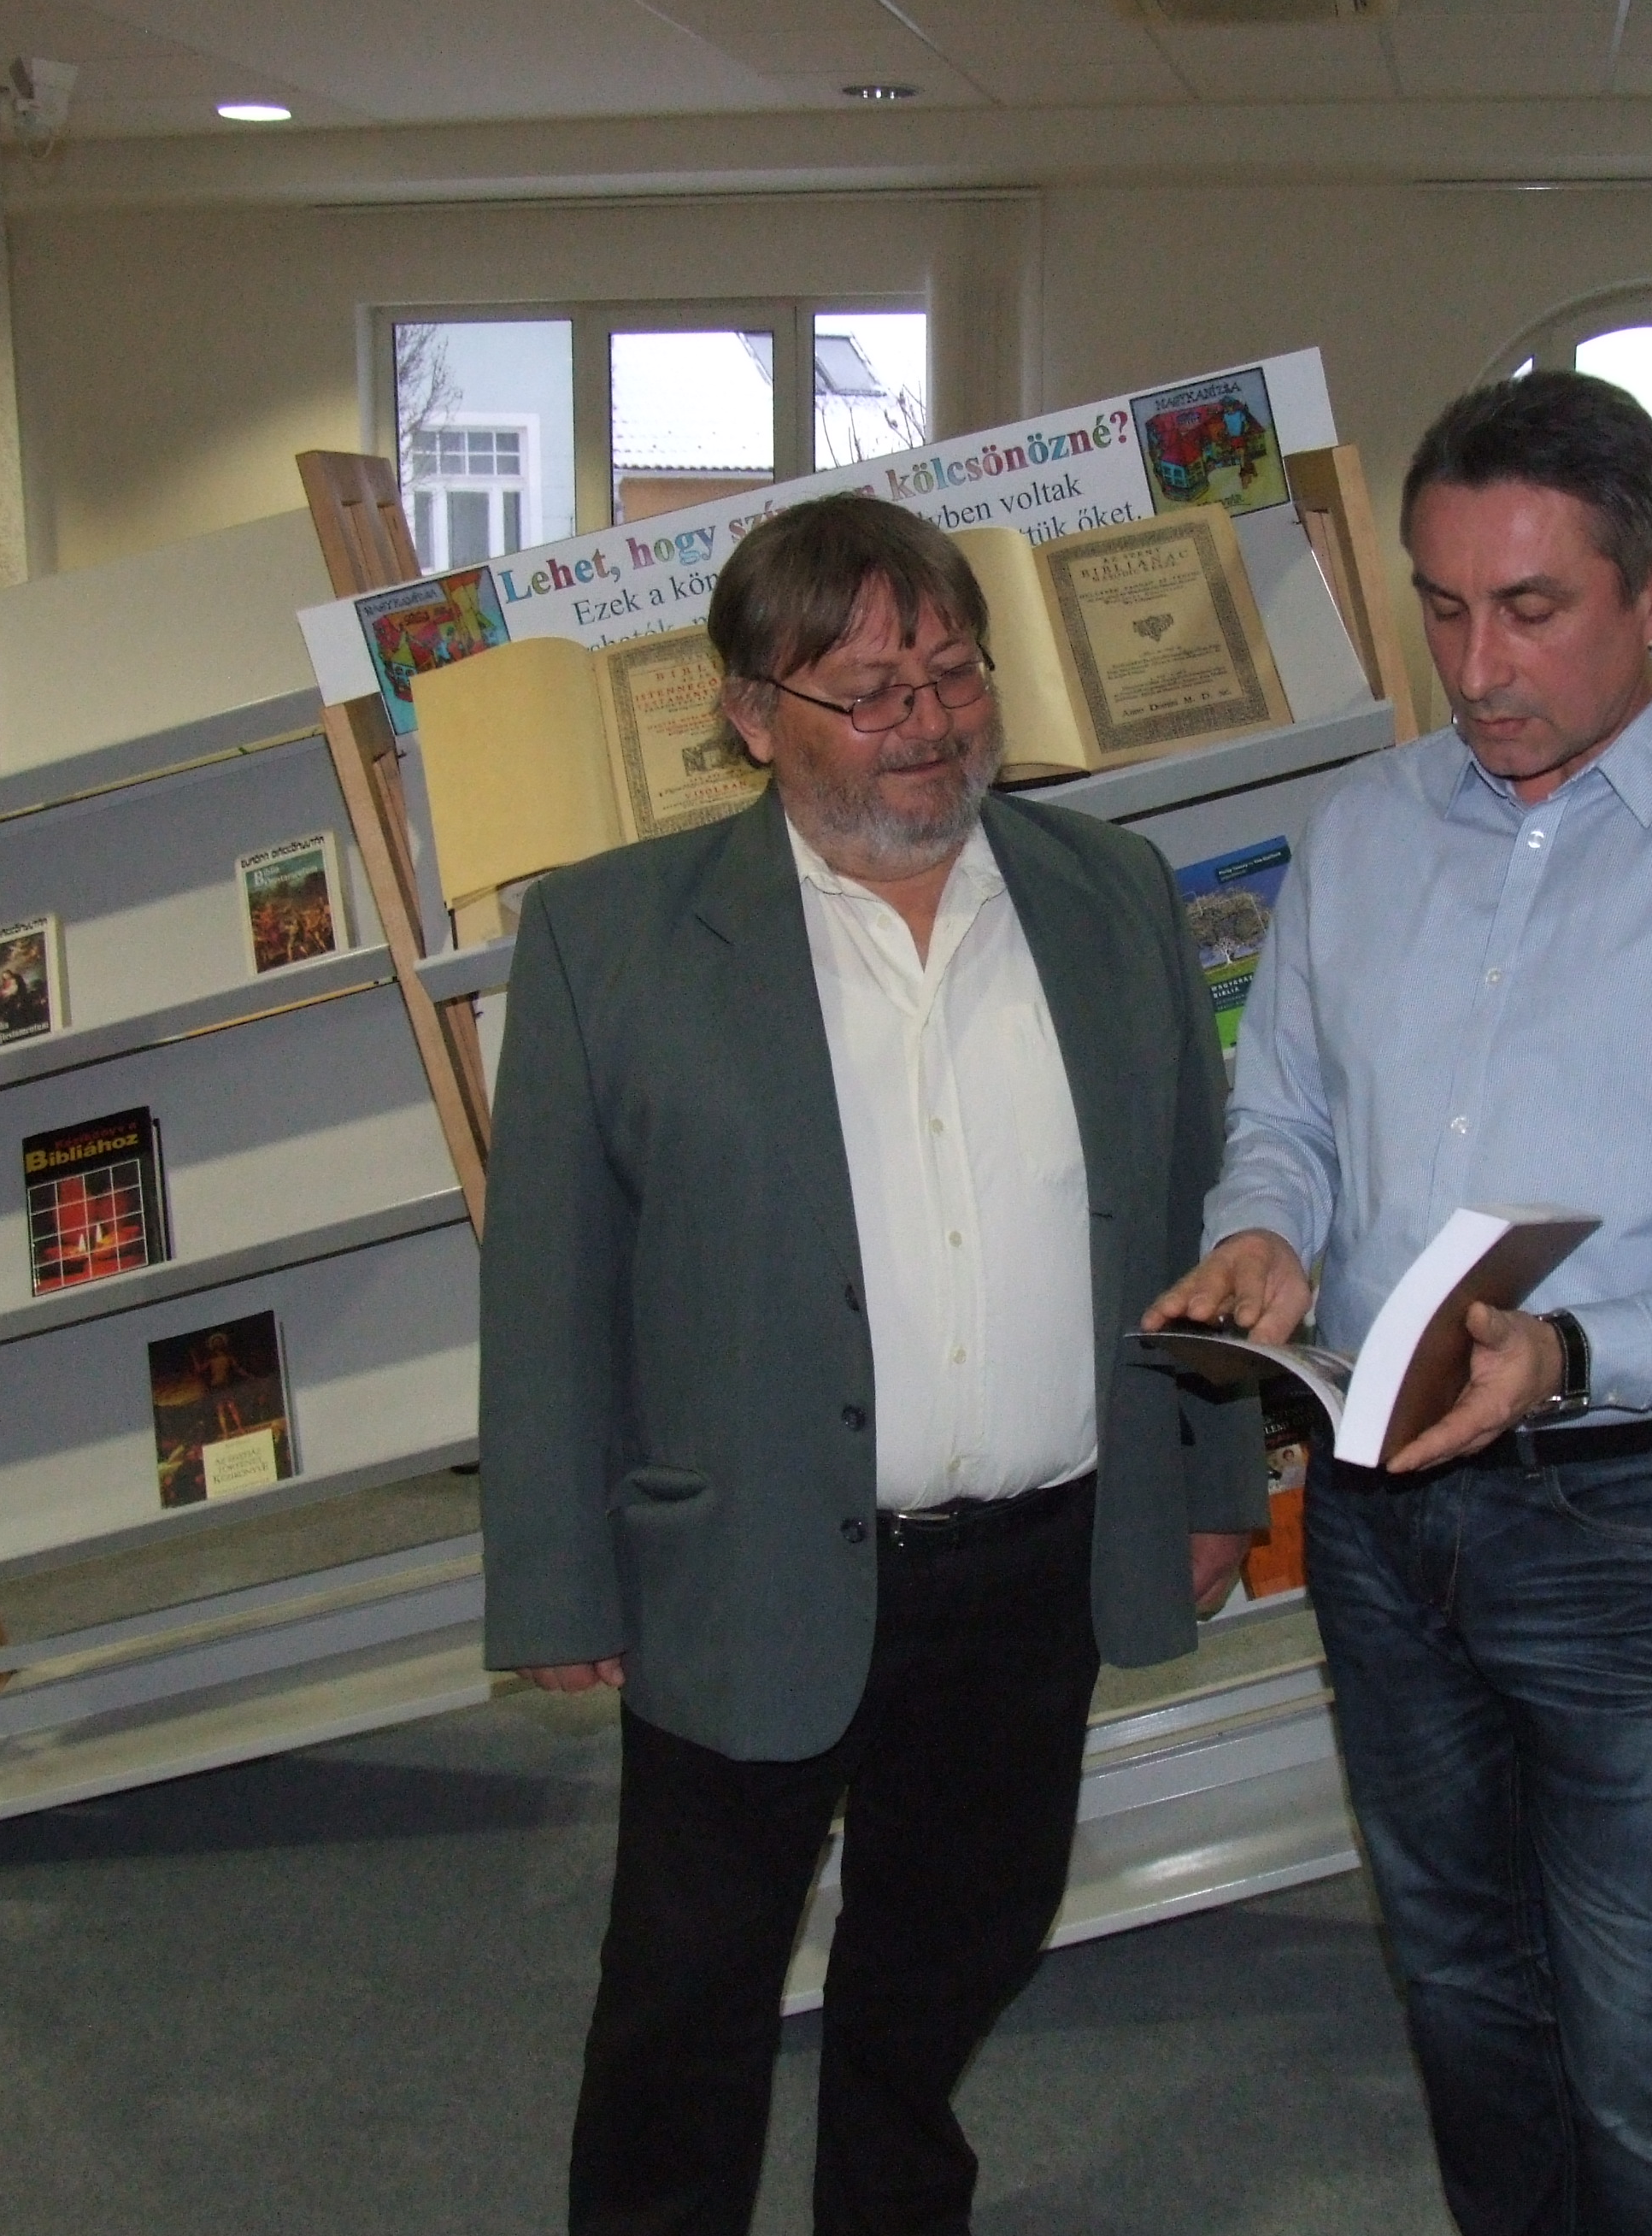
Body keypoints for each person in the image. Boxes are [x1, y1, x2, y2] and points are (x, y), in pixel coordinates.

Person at [1147, 371, 1652, 2236]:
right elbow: (1288, 1121)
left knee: (1635, 2039)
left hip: (1619, 1515)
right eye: (1439, 608)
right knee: (1456, 1982)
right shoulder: (1360, 830)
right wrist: (1267, 1234)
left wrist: (1577, 1351)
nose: (1475, 666)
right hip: (1372, 1498)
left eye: (1529, 608)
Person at [480, 491, 1265, 2236]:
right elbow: (549, 1287)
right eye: (868, 689)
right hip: (747, 1558)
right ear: (752, 715)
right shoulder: (609, 939)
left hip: (1034, 1564)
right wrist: (552, 1575)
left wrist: (1212, 1480)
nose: (926, 722)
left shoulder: (1110, 894)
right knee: (686, 1996)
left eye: (953, 673)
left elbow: (1185, 1206)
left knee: (948, 1961)